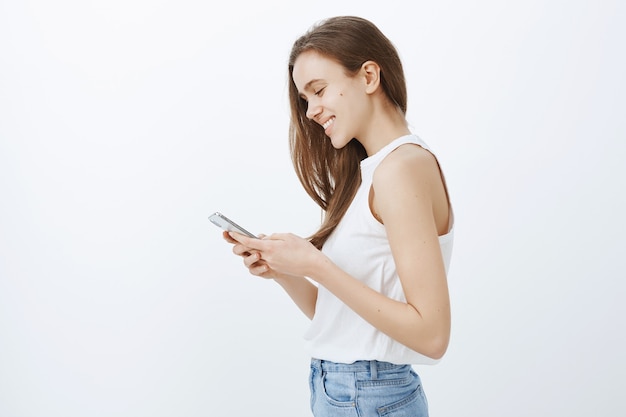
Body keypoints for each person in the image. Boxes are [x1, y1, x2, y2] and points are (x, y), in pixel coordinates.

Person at [223, 15, 454, 417]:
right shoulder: (368, 176)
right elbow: (346, 321)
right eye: (304, 99)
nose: (311, 110)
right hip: (344, 390)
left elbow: (432, 334)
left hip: (369, 394)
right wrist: (286, 272)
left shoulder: (402, 168)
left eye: (318, 90)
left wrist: (317, 264)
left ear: (368, 76)